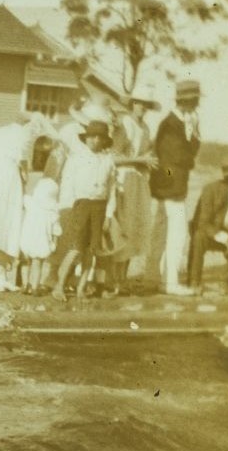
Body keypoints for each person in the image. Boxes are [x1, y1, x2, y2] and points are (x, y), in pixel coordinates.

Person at [0, 112, 56, 292]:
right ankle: (1, 276)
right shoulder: (24, 135)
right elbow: (23, 164)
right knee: (5, 226)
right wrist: (23, 181)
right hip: (7, 178)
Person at [146, 79, 202, 296]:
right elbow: (173, 159)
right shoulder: (171, 125)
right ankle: (169, 282)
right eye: (194, 101)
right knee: (176, 233)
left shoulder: (180, 123)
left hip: (170, 186)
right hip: (170, 188)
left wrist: (193, 135)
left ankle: (159, 280)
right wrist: (172, 177)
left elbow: (184, 155)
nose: (196, 105)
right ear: (189, 101)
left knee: (165, 232)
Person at [51, 120, 117, 302]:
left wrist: (109, 215)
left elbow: (111, 189)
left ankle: (81, 289)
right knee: (75, 249)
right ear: (86, 139)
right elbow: (68, 184)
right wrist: (70, 208)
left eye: (99, 137)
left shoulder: (108, 161)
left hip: (100, 206)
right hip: (81, 205)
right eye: (91, 137)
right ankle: (59, 286)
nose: (95, 140)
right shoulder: (76, 158)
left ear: (104, 140)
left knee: (91, 250)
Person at [104, 87, 159, 294]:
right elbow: (115, 158)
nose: (141, 108)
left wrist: (146, 163)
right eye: (138, 103)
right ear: (132, 104)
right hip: (123, 178)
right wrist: (139, 160)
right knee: (122, 227)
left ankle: (123, 279)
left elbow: (145, 157)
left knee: (136, 228)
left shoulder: (145, 128)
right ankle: (113, 279)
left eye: (145, 105)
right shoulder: (124, 124)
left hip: (138, 180)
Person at [187, 151, 228, 295]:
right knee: (199, 237)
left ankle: (226, 282)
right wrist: (224, 237)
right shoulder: (211, 190)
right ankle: (194, 282)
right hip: (212, 233)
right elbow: (202, 223)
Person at [19, 160, 61, 295]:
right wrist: (54, 243)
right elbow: (56, 230)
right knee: (38, 264)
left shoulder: (32, 203)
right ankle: (35, 287)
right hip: (41, 242)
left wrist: (23, 179)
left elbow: (23, 196)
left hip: (27, 239)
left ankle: (25, 285)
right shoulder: (53, 212)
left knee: (27, 263)